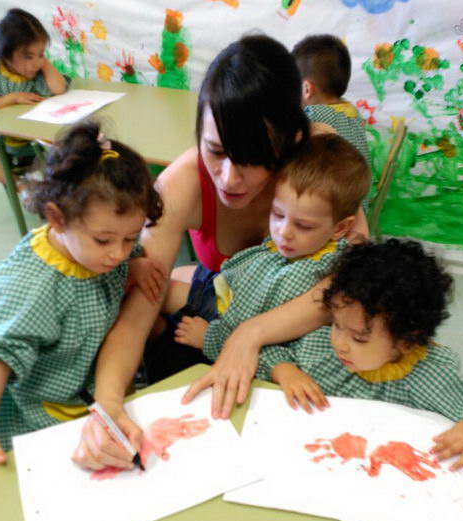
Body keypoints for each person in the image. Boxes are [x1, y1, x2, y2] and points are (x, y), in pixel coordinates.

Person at [72, 34, 370, 473]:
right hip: (218, 319)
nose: (229, 178)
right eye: (215, 151)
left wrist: (249, 335)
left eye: (252, 157)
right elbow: (140, 307)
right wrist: (108, 405)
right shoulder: (182, 184)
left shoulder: (318, 160)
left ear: (291, 139)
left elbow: (353, 284)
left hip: (300, 334)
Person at [0, 120, 163, 499]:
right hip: (46, 415)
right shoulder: (30, 288)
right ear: (56, 218)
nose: (119, 252)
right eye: (104, 239)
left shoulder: (101, 253)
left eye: (131, 238)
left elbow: (121, 253)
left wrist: (135, 264)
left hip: (96, 390)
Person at [257, 239, 463, 470]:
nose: (340, 344)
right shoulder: (323, 350)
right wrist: (286, 371)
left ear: (406, 342)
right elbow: (269, 352)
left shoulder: (429, 377)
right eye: (336, 324)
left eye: (359, 338)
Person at [172, 134, 370, 358]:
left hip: (223, 312)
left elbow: (254, 327)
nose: (284, 232)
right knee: (178, 272)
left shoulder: (305, 275)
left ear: (340, 228)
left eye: (303, 226)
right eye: (277, 214)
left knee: (165, 291)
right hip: (230, 281)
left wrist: (210, 338)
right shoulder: (309, 245)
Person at [0, 8, 68, 184]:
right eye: (28, 57)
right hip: (0, 141)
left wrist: (45, 63)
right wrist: (12, 98)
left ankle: (47, 186)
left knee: (68, 150)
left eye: (41, 54)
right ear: (6, 56)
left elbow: (59, 89)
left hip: (33, 141)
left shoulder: (38, 70)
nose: (36, 63)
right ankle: (22, 188)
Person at [292, 34, 371, 210]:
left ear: (306, 89)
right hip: (359, 207)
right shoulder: (352, 111)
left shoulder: (314, 116)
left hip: (334, 212)